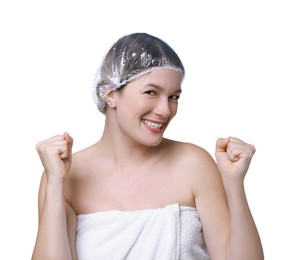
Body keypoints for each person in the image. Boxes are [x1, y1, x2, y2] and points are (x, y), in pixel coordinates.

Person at [32, 32, 264, 260]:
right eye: (151, 92)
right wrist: (55, 184)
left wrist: (233, 184)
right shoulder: (66, 174)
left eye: (174, 97)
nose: (165, 110)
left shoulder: (193, 164)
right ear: (111, 94)